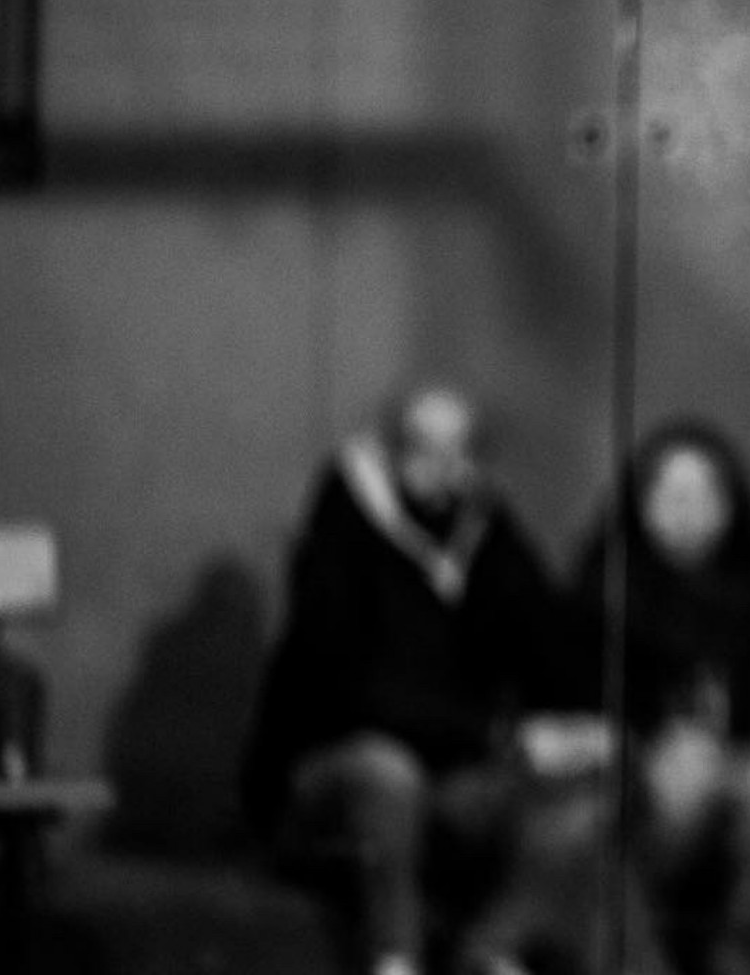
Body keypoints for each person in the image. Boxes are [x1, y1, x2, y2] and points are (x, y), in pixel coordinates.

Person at [241, 383, 616, 975]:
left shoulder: (483, 530)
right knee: (387, 771)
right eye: (424, 448)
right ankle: (396, 957)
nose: (444, 467)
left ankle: (491, 949)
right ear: (391, 451)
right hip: (329, 775)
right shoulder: (342, 528)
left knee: (590, 788)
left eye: (460, 450)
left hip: (455, 774)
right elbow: (349, 694)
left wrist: (582, 728)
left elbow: (547, 641)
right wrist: (503, 737)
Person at [576, 418, 750, 973]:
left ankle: (737, 938)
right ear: (640, 504)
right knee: (687, 775)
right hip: (640, 769)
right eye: (673, 496)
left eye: (705, 496)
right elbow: (584, 711)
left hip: (731, 759)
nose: (688, 513)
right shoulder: (605, 592)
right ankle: (647, 944)